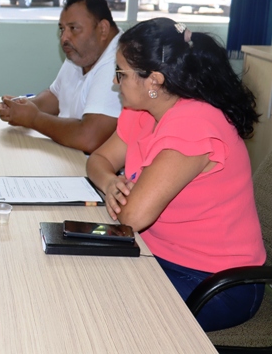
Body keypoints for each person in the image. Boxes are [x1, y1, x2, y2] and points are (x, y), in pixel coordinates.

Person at [86, 17, 265, 332]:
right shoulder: (143, 112)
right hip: (157, 256)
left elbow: (132, 217)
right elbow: (98, 160)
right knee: (79, 276)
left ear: (153, 81)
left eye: (121, 73)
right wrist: (110, 181)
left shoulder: (194, 124)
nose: (115, 81)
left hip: (217, 283)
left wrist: (122, 196)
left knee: (101, 307)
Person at [0, 0, 122, 153]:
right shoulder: (83, 52)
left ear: (103, 29)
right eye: (62, 29)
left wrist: (33, 118)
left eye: (73, 28)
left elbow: (89, 138)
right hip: (67, 153)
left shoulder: (119, 62)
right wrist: (21, 107)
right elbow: (56, 96)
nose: (64, 38)